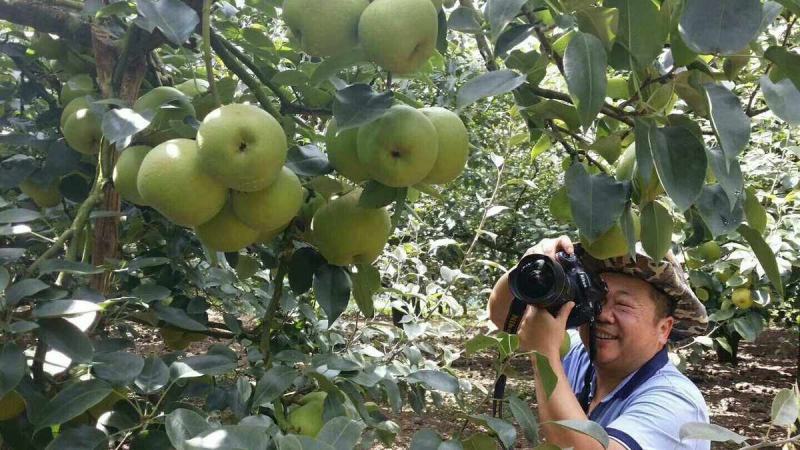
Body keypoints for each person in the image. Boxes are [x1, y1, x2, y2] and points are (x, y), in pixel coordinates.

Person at [488, 236, 711, 450]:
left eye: (623, 305)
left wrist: (544, 354)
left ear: (664, 329)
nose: (602, 314)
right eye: (597, 300)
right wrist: (535, 264)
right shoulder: (581, 357)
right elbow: (505, 318)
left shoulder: (676, 403)